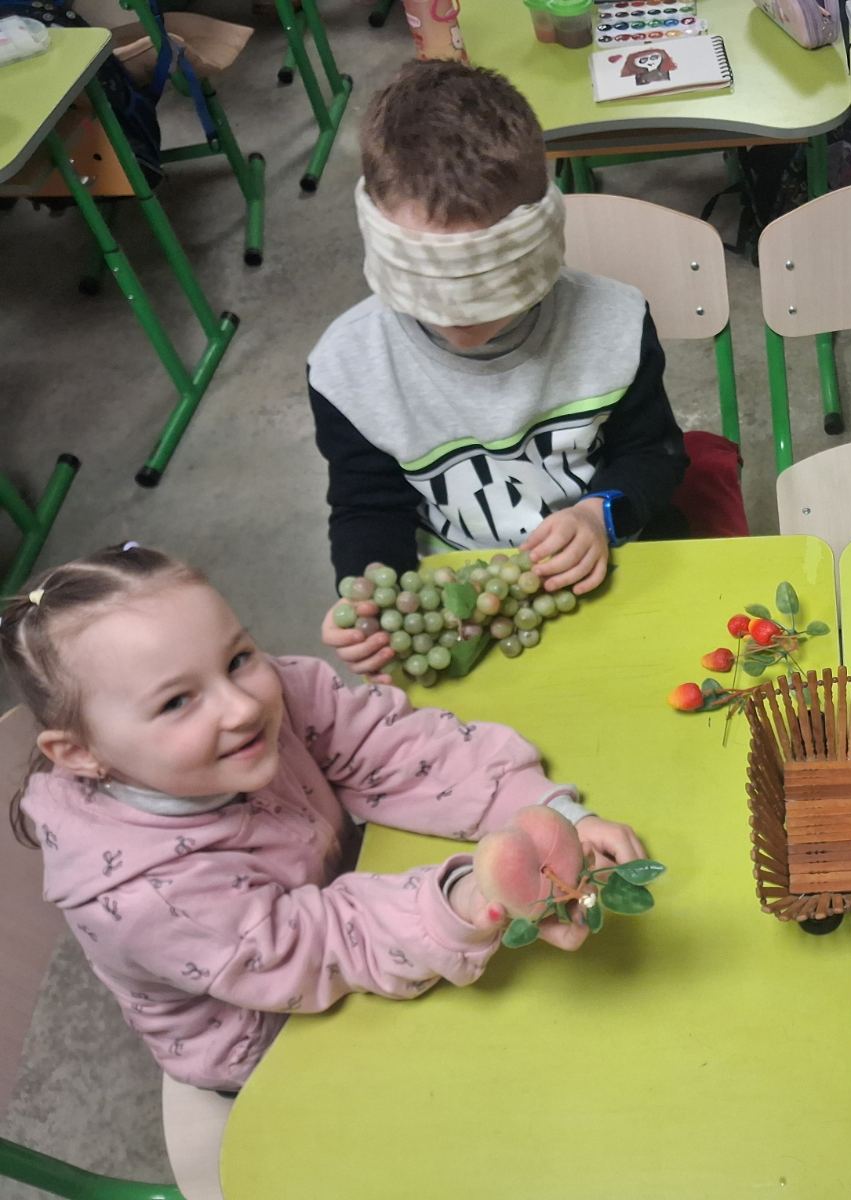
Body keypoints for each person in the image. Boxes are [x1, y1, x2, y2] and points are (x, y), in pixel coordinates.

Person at [0, 544, 646, 1091]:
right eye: (176, 702)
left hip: (351, 898)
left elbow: (394, 746)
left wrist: (547, 807)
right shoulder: (145, 897)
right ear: (80, 754)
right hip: (270, 1035)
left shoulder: (271, 694)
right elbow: (317, 947)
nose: (240, 707)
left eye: (237, 658)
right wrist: (469, 896)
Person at [310, 60, 688, 681]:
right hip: (460, 606)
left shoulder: (613, 325)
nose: (457, 321)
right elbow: (365, 506)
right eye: (431, 299)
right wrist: (372, 597)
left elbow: (655, 452)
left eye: (485, 295)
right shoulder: (349, 371)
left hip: (608, 568)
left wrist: (599, 513)